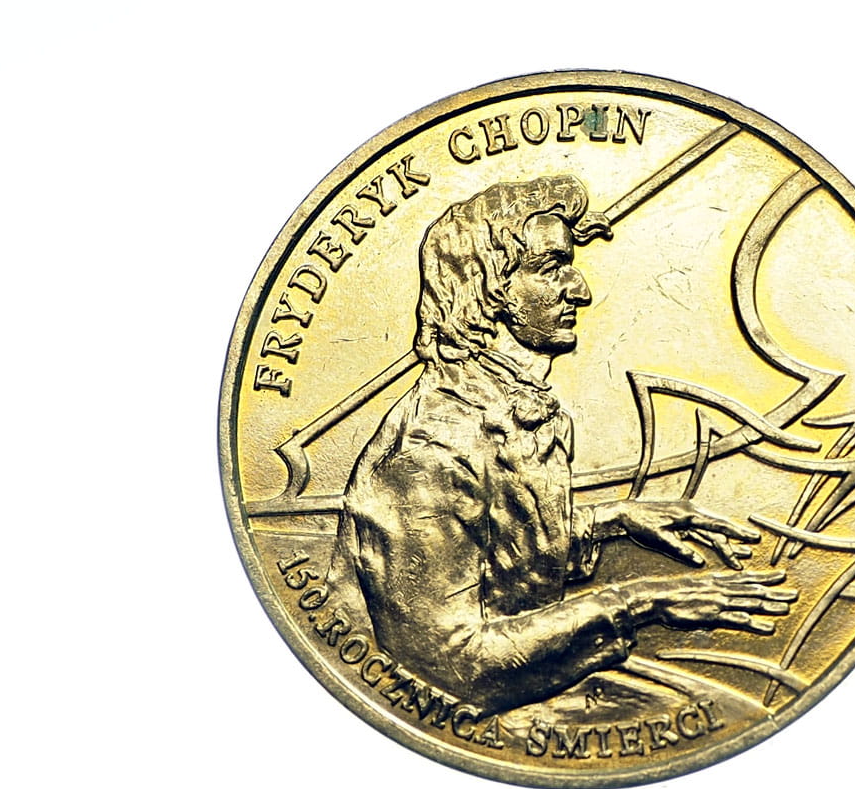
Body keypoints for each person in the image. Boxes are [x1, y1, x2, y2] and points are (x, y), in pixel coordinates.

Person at [335, 174, 794, 714]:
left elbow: (489, 556)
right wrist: (641, 602)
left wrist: (612, 520)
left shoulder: (497, 409)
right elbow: (451, 664)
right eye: (552, 268)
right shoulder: (430, 449)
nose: (580, 289)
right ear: (487, 290)